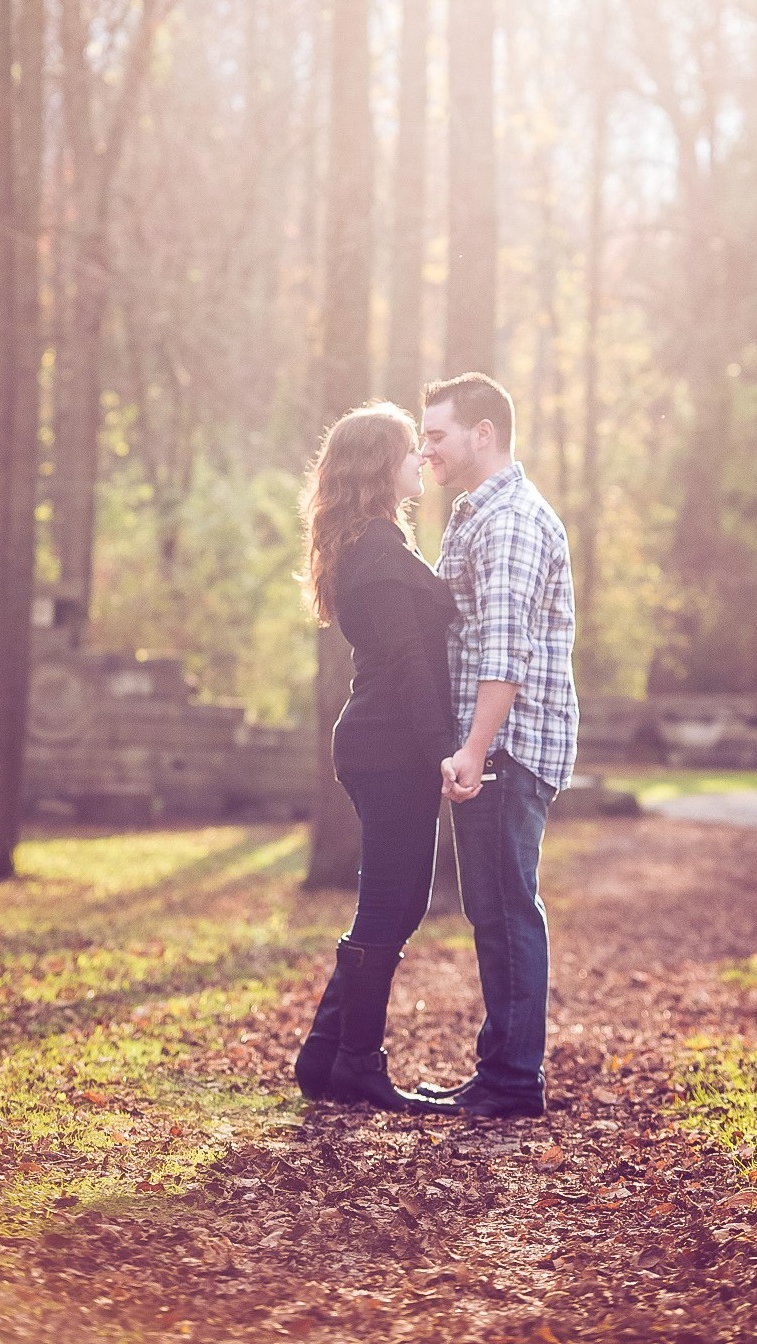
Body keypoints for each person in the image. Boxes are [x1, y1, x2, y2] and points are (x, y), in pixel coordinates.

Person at [417, 373, 579, 1119]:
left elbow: (503, 650)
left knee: (507, 910)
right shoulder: (479, 514)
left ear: (483, 433)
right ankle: (502, 1074)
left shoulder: (510, 519)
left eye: (437, 434)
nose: (427, 449)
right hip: (496, 748)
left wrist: (475, 751)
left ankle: (513, 1082)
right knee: (495, 910)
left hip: (506, 749)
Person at [293, 402, 461, 1115]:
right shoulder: (379, 557)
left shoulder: (375, 544)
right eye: (406, 450)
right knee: (391, 905)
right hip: (390, 748)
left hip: (384, 745)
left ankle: (326, 1056)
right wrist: (446, 749)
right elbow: (409, 664)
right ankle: (354, 1061)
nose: (419, 458)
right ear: (377, 468)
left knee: (391, 905)